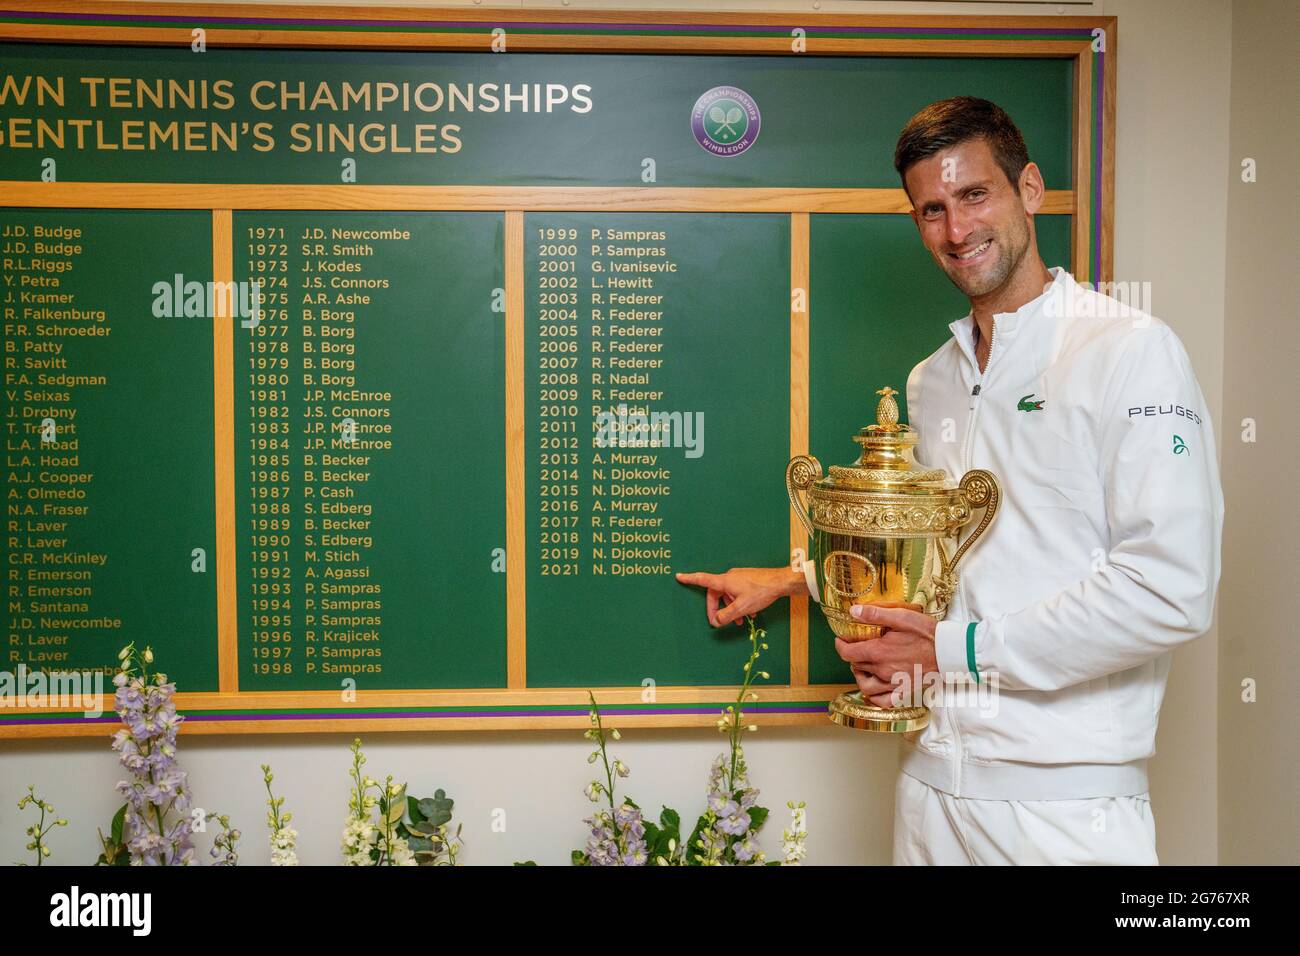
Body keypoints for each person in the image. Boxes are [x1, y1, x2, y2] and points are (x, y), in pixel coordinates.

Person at [676, 96, 1224, 865]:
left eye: (975, 195)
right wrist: (796, 577)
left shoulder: (1130, 352)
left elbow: (1169, 589)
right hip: (928, 787)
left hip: (1064, 808)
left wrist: (952, 653)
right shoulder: (930, 380)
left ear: (1028, 189)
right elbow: (944, 556)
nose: (957, 230)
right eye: (932, 209)